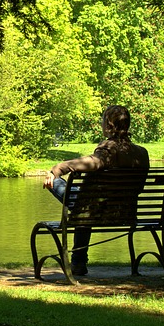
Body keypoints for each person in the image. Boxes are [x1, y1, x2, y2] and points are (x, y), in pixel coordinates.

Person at [43, 105, 149, 276]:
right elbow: (140, 187)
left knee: (58, 186)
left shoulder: (108, 149)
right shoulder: (141, 154)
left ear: (108, 125)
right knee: (83, 208)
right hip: (125, 212)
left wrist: (57, 169)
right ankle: (78, 262)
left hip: (97, 210)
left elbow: (93, 162)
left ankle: (78, 262)